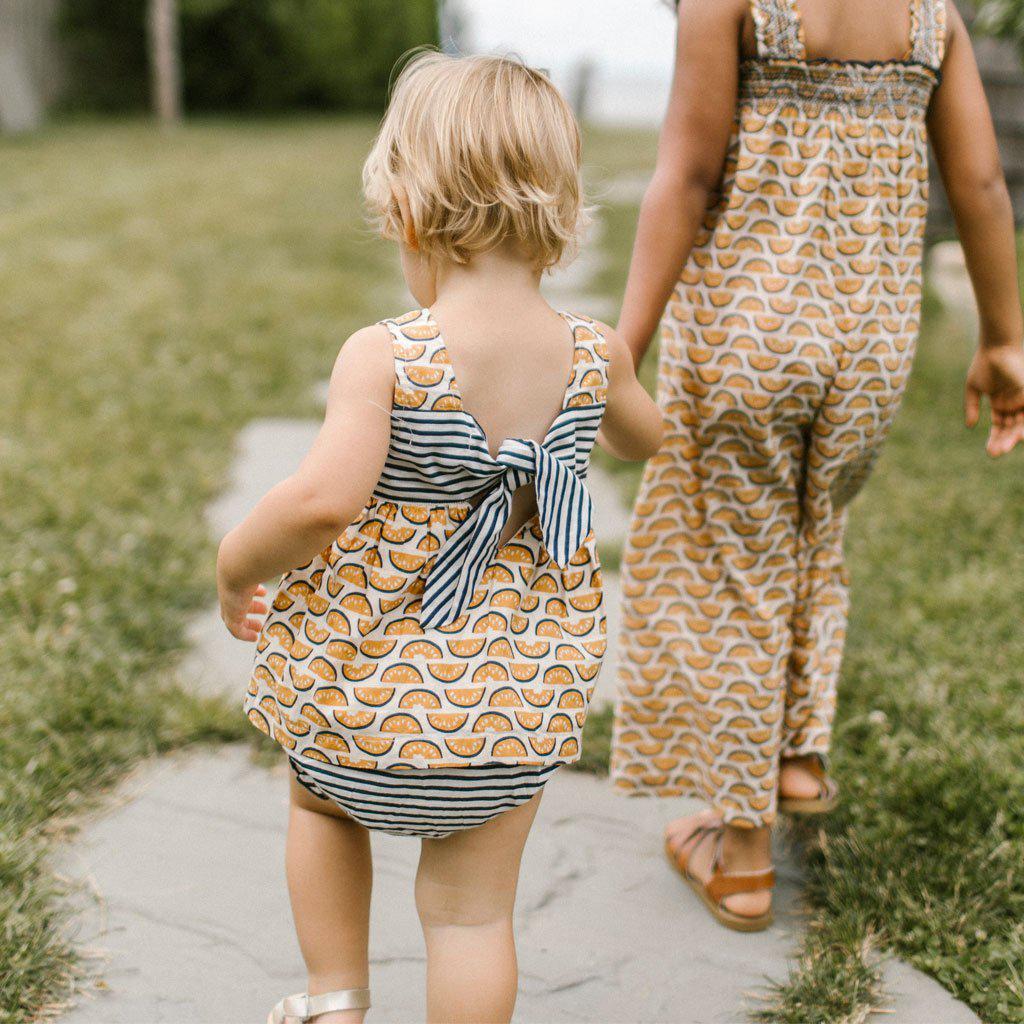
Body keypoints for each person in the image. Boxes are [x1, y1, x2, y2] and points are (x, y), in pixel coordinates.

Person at [216, 51, 664, 1024]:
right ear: (559, 209)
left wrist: (232, 563)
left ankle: (335, 996)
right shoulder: (593, 353)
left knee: (314, 809)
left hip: (359, 712)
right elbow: (648, 436)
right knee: (468, 919)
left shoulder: (384, 354)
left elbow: (321, 503)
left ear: (410, 211)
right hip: (507, 718)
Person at [611, 0, 1024, 931]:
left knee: (733, 570)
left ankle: (742, 853)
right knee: (811, 538)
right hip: (868, 352)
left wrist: (621, 349)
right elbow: (984, 185)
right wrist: (1005, 339)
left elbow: (685, 175)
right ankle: (797, 755)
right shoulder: (933, 15)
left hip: (744, 338)